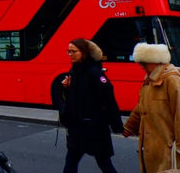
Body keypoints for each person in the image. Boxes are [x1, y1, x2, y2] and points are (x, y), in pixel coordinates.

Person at [58, 38, 122, 173]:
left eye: (73, 51)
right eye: (68, 51)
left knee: (104, 163)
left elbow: (109, 99)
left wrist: (117, 125)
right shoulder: (73, 72)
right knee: (71, 162)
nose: (70, 54)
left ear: (84, 53)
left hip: (94, 128)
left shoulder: (94, 73)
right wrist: (66, 88)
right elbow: (74, 99)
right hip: (77, 128)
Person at [123, 42, 180, 173]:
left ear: (158, 62)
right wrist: (130, 126)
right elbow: (141, 107)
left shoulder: (172, 80)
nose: (142, 66)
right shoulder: (149, 81)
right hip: (153, 148)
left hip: (168, 148)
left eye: (145, 63)